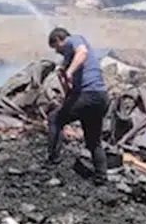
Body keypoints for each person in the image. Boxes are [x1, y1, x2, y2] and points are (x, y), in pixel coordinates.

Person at [46, 27, 109, 183]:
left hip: (89, 94)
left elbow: (82, 52)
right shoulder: (68, 58)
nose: (57, 52)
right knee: (93, 140)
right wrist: (64, 76)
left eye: (56, 47)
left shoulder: (74, 40)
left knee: (55, 119)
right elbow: (70, 89)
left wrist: (69, 72)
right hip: (100, 97)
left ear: (60, 39)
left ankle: (53, 161)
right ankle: (101, 176)